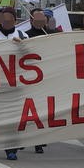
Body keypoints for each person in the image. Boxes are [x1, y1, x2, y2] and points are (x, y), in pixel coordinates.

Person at [0, 7, 28, 160]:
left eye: (10, 19)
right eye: (4, 19)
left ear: (15, 21)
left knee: (12, 118)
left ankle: (11, 149)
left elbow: (31, 57)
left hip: (15, 84)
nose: (7, 21)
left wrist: (22, 46)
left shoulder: (23, 36)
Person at [24, 8, 56, 154]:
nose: (41, 22)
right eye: (37, 19)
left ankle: (37, 141)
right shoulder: (25, 36)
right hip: (29, 78)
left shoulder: (50, 36)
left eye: (43, 20)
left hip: (45, 79)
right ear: (31, 20)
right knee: (26, 111)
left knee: (41, 112)